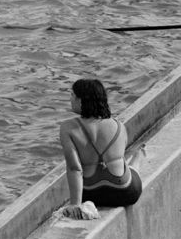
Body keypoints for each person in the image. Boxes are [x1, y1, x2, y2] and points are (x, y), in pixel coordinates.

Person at [58, 78, 144, 216]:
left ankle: (136, 158)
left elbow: (75, 168)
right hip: (124, 192)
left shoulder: (68, 128)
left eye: (72, 95)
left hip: (91, 193)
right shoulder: (118, 126)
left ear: (82, 100)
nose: (70, 99)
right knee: (127, 166)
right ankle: (138, 157)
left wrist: (75, 204)